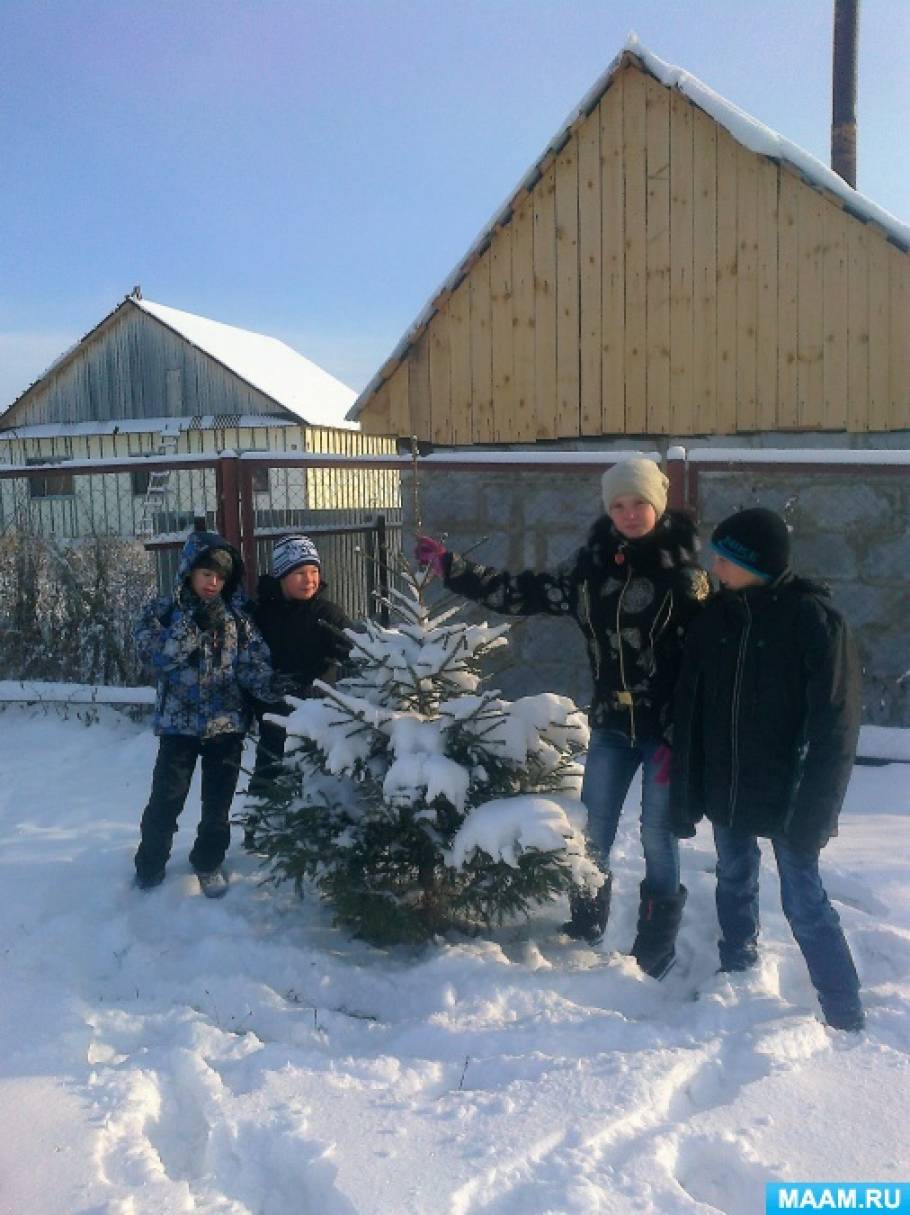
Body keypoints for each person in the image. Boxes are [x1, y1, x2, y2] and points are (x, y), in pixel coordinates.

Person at [416, 457, 710, 976]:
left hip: (664, 733)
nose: (628, 513)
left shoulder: (686, 579)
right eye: (618, 504)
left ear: (658, 505)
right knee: (592, 828)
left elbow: (706, 667)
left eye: (638, 502)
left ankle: (655, 946)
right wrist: (452, 568)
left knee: (656, 836)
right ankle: (586, 922)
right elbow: (523, 591)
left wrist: (683, 736)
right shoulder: (590, 568)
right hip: (614, 728)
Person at [671, 508, 864, 1031]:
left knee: (803, 897)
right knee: (734, 877)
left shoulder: (813, 621)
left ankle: (843, 1006)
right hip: (728, 784)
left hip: (792, 791)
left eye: (727, 557)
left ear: (756, 563)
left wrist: (818, 809)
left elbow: (836, 726)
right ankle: (738, 965)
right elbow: (692, 709)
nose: (715, 564)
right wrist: (688, 788)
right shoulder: (715, 619)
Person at [133, 529, 278, 897]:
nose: (213, 583)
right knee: (166, 800)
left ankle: (208, 861)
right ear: (188, 573)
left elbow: (251, 663)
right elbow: (156, 656)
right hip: (177, 728)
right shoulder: (163, 612)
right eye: (206, 574)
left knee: (218, 805)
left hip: (226, 727)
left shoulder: (237, 618)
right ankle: (149, 866)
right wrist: (193, 627)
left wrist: (272, 686)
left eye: (220, 577)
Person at [244, 535, 352, 842]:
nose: (310, 580)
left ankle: (319, 834)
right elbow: (249, 657)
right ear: (282, 575)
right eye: (300, 573)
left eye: (314, 572)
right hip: (275, 711)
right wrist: (265, 686)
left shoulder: (327, 613)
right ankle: (258, 831)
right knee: (269, 768)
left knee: (315, 774)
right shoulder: (261, 614)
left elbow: (354, 648)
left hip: (317, 712)